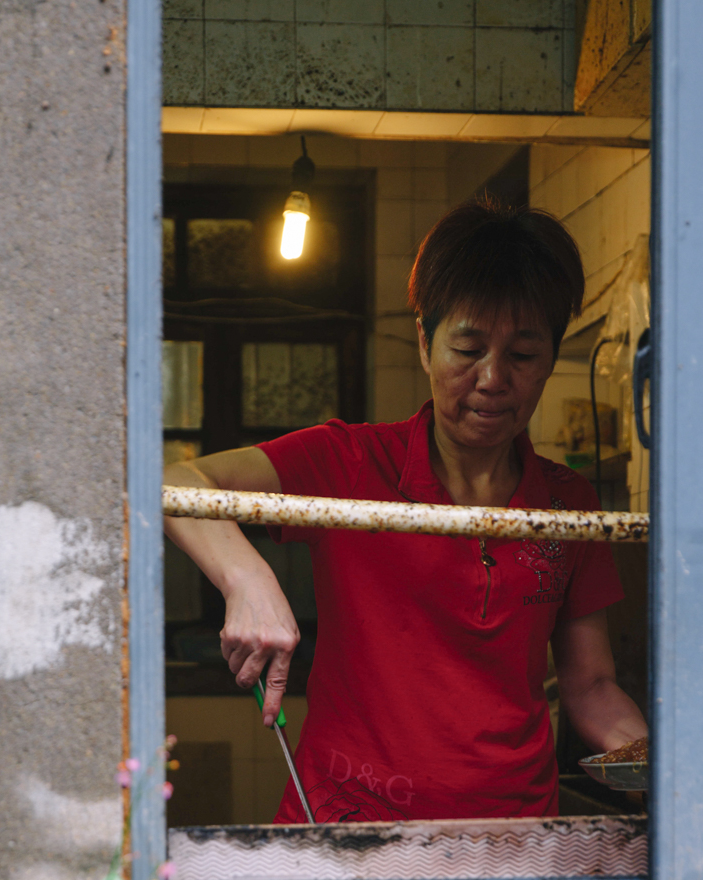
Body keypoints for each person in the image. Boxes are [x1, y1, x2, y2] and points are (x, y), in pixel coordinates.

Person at [163, 199, 647, 824]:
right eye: (468, 347)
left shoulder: (567, 505)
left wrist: (655, 770)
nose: (493, 377)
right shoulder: (348, 462)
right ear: (425, 342)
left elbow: (592, 688)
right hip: (348, 827)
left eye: (523, 356)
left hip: (512, 838)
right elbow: (174, 480)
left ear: (550, 360)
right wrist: (246, 578)